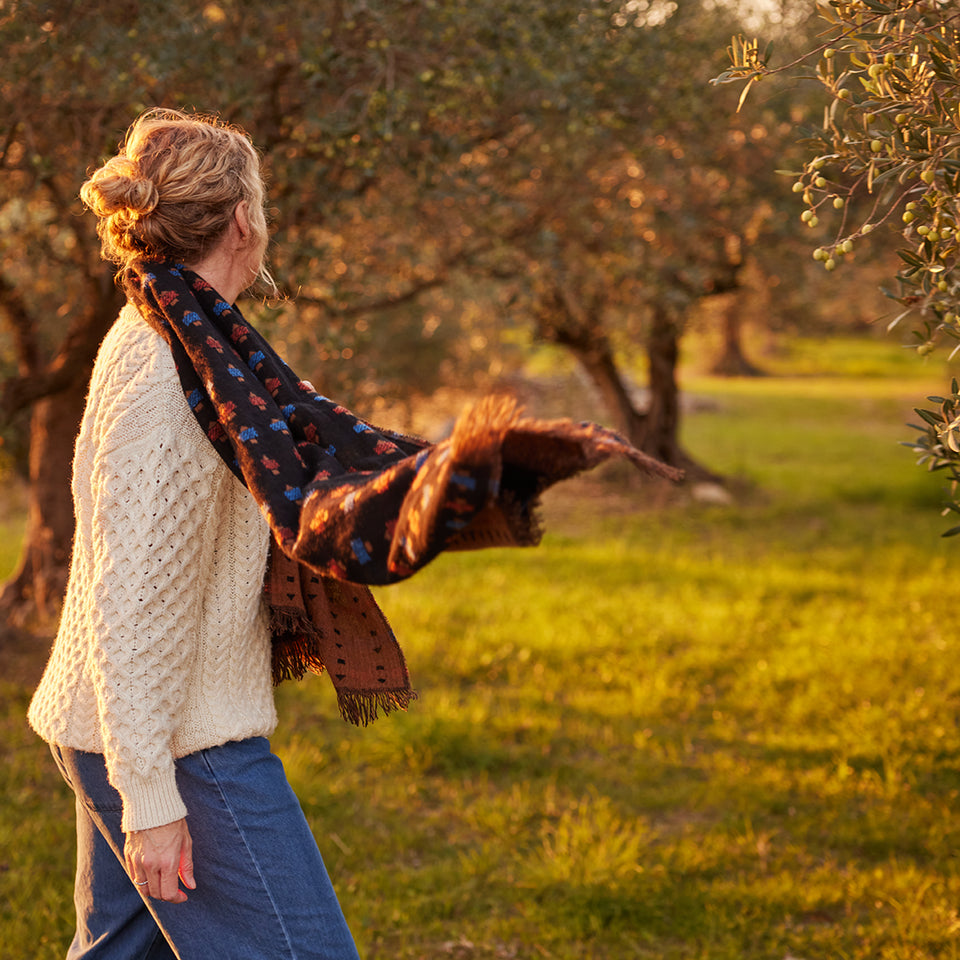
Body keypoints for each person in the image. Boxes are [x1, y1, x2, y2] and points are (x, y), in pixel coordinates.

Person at [27, 109, 680, 960]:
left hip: (106, 726)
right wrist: (149, 798)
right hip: (176, 746)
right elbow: (129, 604)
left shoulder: (182, 339)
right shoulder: (170, 371)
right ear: (243, 221)